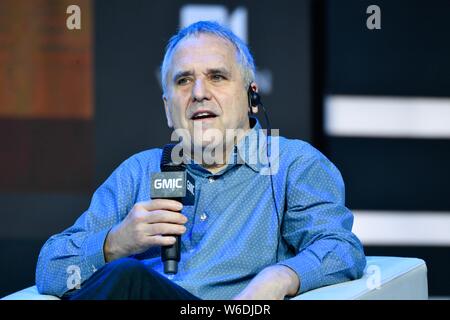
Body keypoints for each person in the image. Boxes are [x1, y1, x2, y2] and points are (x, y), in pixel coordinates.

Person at [36, 21, 366, 300]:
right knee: (125, 274)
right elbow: (49, 268)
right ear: (168, 108)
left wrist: (280, 277)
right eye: (183, 81)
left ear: (252, 98)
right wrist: (113, 244)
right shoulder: (138, 173)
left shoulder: (292, 165)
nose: (198, 93)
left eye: (217, 77)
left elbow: (340, 248)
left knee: (127, 278)